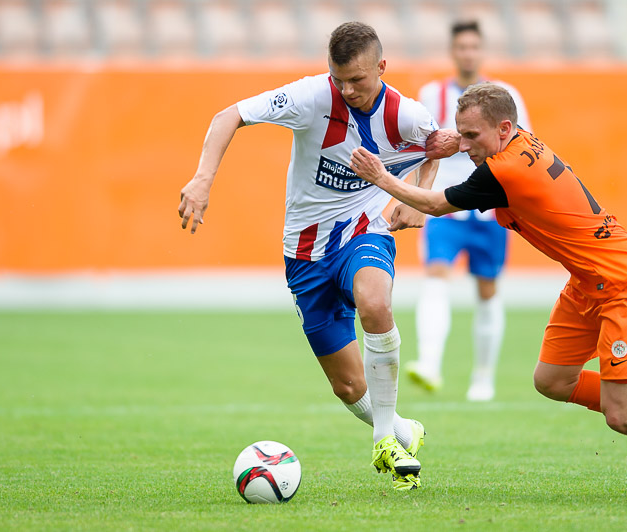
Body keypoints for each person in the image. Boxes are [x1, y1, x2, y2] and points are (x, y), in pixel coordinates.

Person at [349, 83, 627, 496]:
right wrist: (449, 146)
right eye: (461, 134)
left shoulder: (505, 171)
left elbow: (435, 205)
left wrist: (381, 177)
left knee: (623, 415)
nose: (465, 145)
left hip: (624, 281)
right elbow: (457, 173)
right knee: (553, 380)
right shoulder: (517, 143)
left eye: (471, 136)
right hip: (588, 281)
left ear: (505, 128)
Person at [178, 22, 445, 491]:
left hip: (363, 231)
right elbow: (228, 116)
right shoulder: (309, 97)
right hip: (304, 255)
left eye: (357, 79)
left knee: (375, 302)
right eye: (339, 79)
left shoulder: (407, 115)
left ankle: (384, 439)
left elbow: (434, 146)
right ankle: (403, 431)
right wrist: (202, 179)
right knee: (349, 387)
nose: (347, 89)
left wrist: (417, 198)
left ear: (382, 67)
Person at [409, 20, 530, 401]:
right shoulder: (432, 94)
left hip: (490, 208)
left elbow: (523, 146)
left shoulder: (506, 96)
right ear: (453, 51)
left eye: (473, 47)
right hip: (446, 204)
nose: (467, 54)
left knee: (487, 288)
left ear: (482, 51)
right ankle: (429, 363)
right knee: (435, 273)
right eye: (461, 47)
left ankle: (483, 377)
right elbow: (419, 147)